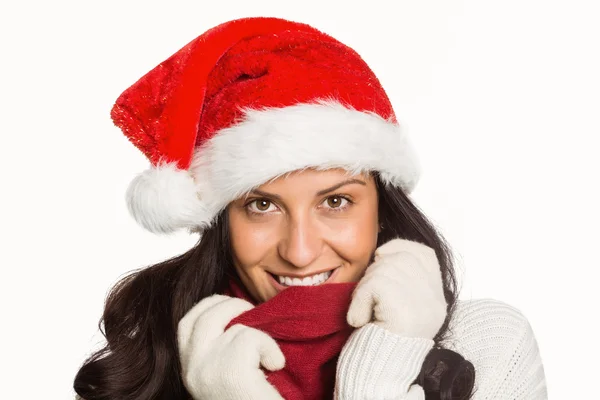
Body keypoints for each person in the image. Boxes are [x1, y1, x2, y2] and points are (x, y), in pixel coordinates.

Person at [73, 17, 548, 400]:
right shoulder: (147, 365)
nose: (299, 253)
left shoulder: (487, 343)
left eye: (336, 201)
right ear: (222, 222)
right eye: (261, 205)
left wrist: (389, 354)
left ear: (382, 208)